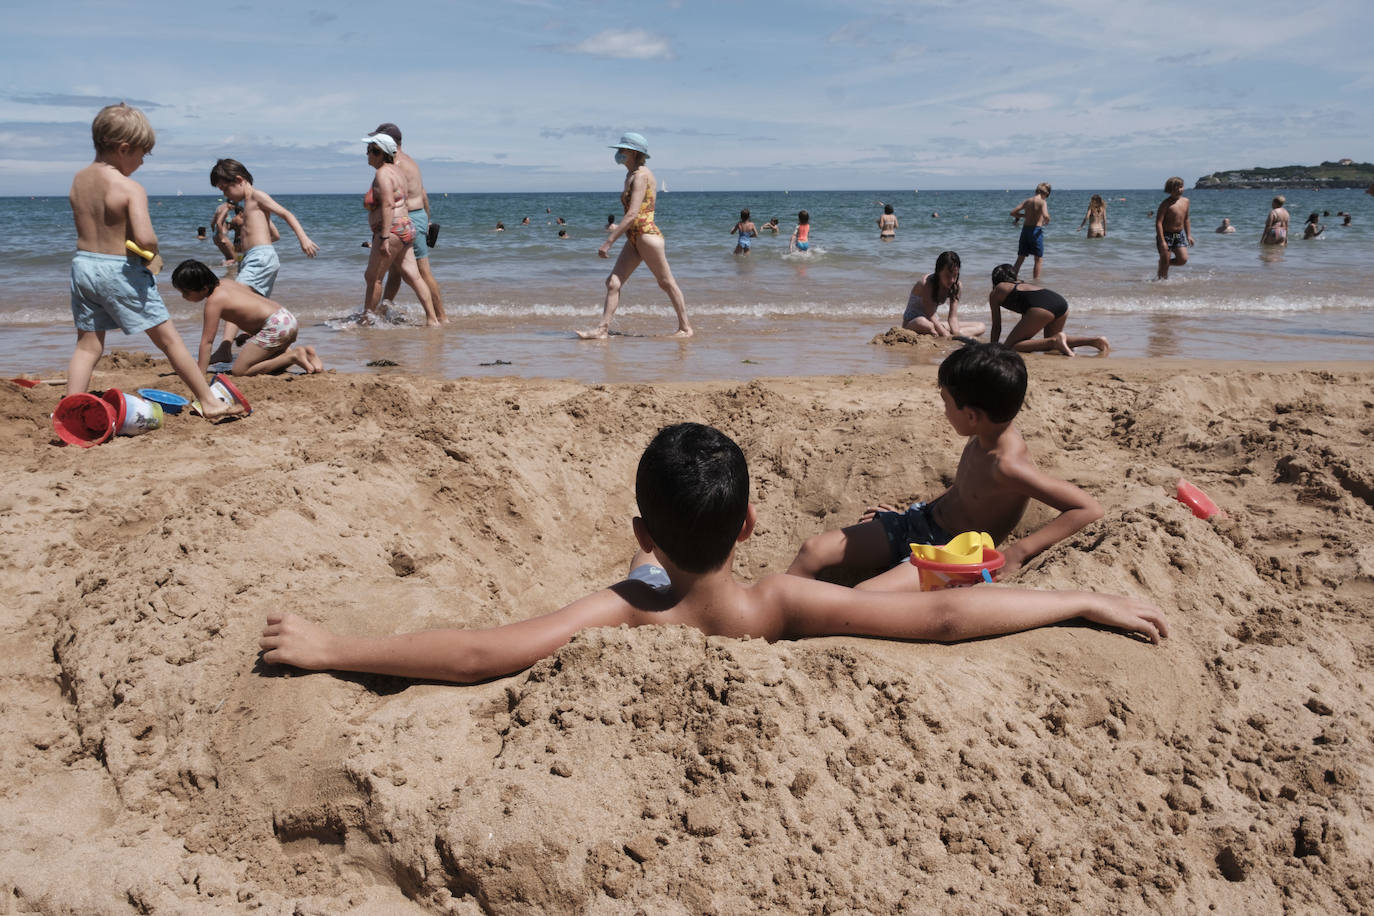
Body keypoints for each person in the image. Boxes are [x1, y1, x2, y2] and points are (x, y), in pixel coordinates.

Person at [259, 422, 1167, 683]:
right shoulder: (779, 603)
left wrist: (334, 648)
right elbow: (941, 614)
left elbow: (477, 650)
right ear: (748, 524)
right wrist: (1082, 601)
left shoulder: (631, 603)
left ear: (643, 536)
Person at [788, 344, 1106, 585]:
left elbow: (1087, 509)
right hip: (919, 521)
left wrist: (1017, 553)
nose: (943, 410)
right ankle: (775, 613)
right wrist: (906, 513)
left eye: (945, 402)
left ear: (971, 415)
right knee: (812, 550)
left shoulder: (1008, 465)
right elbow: (966, 490)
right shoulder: (983, 434)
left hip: (952, 554)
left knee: (863, 597)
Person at [65, 103, 241, 419]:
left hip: (83, 266)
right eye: (142, 154)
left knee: (88, 346)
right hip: (118, 270)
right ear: (123, 149)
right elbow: (145, 239)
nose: (142, 162)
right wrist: (151, 253)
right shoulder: (129, 187)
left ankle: (69, 410)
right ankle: (209, 401)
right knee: (170, 341)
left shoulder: (78, 179)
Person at [577, 133, 692, 339]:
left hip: (646, 235)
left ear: (633, 152)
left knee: (666, 283)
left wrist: (608, 242)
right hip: (634, 237)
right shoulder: (631, 174)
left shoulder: (641, 176)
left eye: (621, 150)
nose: (618, 153)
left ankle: (685, 328)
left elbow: (632, 214)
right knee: (613, 282)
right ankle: (602, 330)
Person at [171, 259, 323, 376]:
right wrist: (252, 333)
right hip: (285, 318)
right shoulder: (227, 283)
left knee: (240, 370)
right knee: (266, 362)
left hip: (274, 327)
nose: (184, 297)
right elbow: (251, 308)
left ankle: (294, 356)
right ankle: (308, 357)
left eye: (186, 293)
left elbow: (207, 342)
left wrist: (200, 373)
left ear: (203, 288)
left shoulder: (213, 302)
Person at [369, 124, 446, 324]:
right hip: (416, 217)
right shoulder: (410, 161)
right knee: (396, 272)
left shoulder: (394, 162)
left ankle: (439, 317)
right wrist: (426, 221)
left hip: (406, 218)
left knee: (421, 272)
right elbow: (423, 194)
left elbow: (386, 200)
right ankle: (382, 312)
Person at [208, 158, 318, 298]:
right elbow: (275, 235)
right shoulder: (247, 205)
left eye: (225, 189)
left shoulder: (257, 196)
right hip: (249, 257)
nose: (224, 194)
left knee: (235, 298)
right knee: (252, 304)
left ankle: (279, 317)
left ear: (239, 180)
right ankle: (270, 318)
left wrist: (304, 239)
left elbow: (285, 214)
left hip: (260, 258)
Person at [987, 264, 1108, 357]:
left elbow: (996, 325)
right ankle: (1094, 341)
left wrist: (992, 348)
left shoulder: (997, 290)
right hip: (1060, 303)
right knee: (1050, 342)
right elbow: (1028, 313)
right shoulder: (1023, 285)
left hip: (1041, 308)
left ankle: (1056, 341)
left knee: (1010, 346)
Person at [902, 250, 985, 339]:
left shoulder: (956, 286)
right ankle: (941, 333)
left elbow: (952, 318)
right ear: (938, 272)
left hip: (934, 323)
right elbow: (930, 315)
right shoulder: (927, 283)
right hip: (913, 323)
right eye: (948, 275)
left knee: (981, 326)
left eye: (955, 275)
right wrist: (946, 334)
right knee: (924, 323)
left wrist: (956, 334)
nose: (952, 280)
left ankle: (950, 334)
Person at [1155, 177, 1193, 279]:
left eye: (1181, 187)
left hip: (1178, 234)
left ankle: (1163, 263)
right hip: (1166, 235)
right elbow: (1158, 223)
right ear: (1169, 190)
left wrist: (1188, 235)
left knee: (1183, 259)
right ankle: (1161, 283)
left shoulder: (1186, 201)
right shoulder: (1165, 204)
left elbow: (1186, 219)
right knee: (1166, 258)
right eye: (1176, 188)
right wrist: (1162, 241)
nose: (1179, 190)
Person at [1011, 183, 1051, 279]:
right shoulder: (1042, 202)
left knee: (1021, 257)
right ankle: (1036, 282)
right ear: (1046, 193)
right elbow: (1045, 215)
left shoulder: (1027, 201)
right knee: (1038, 259)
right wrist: (1047, 220)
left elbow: (1013, 213)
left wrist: (1024, 216)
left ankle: (1012, 278)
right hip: (1035, 231)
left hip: (1025, 231)